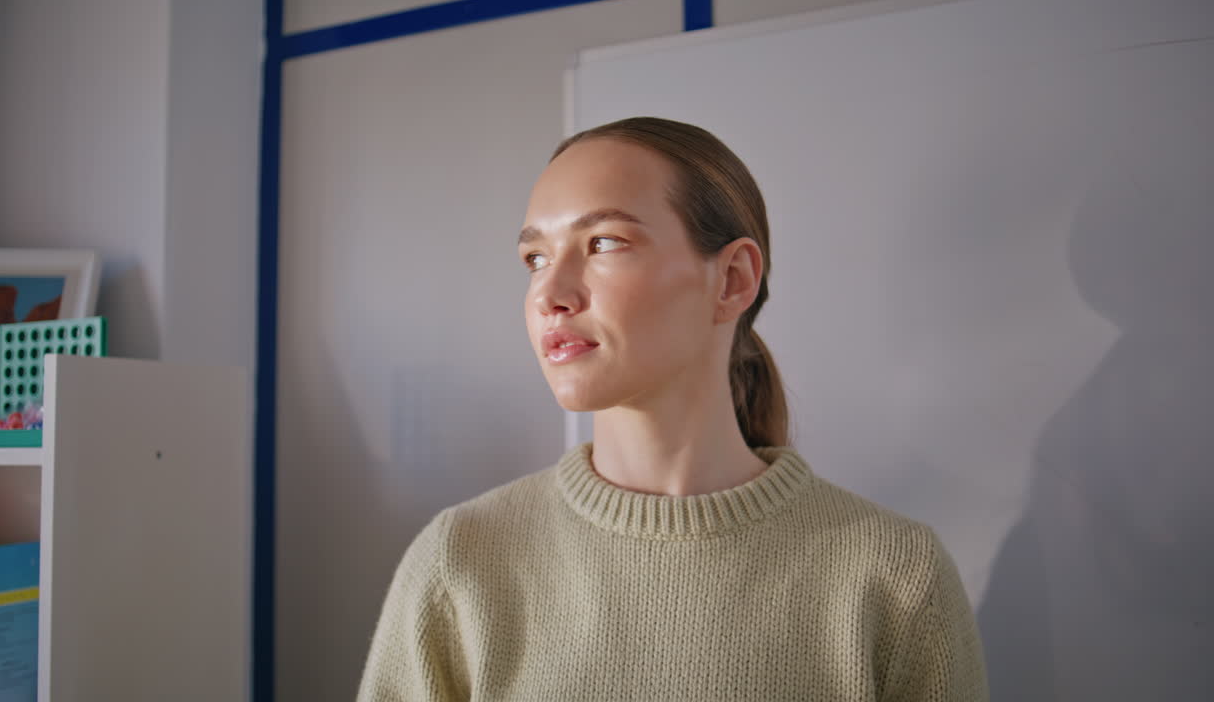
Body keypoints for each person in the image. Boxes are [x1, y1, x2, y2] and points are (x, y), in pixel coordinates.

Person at [357, 117, 988, 701]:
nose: (549, 292)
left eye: (603, 242)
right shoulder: (461, 562)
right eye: (536, 258)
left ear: (732, 279)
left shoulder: (895, 575)